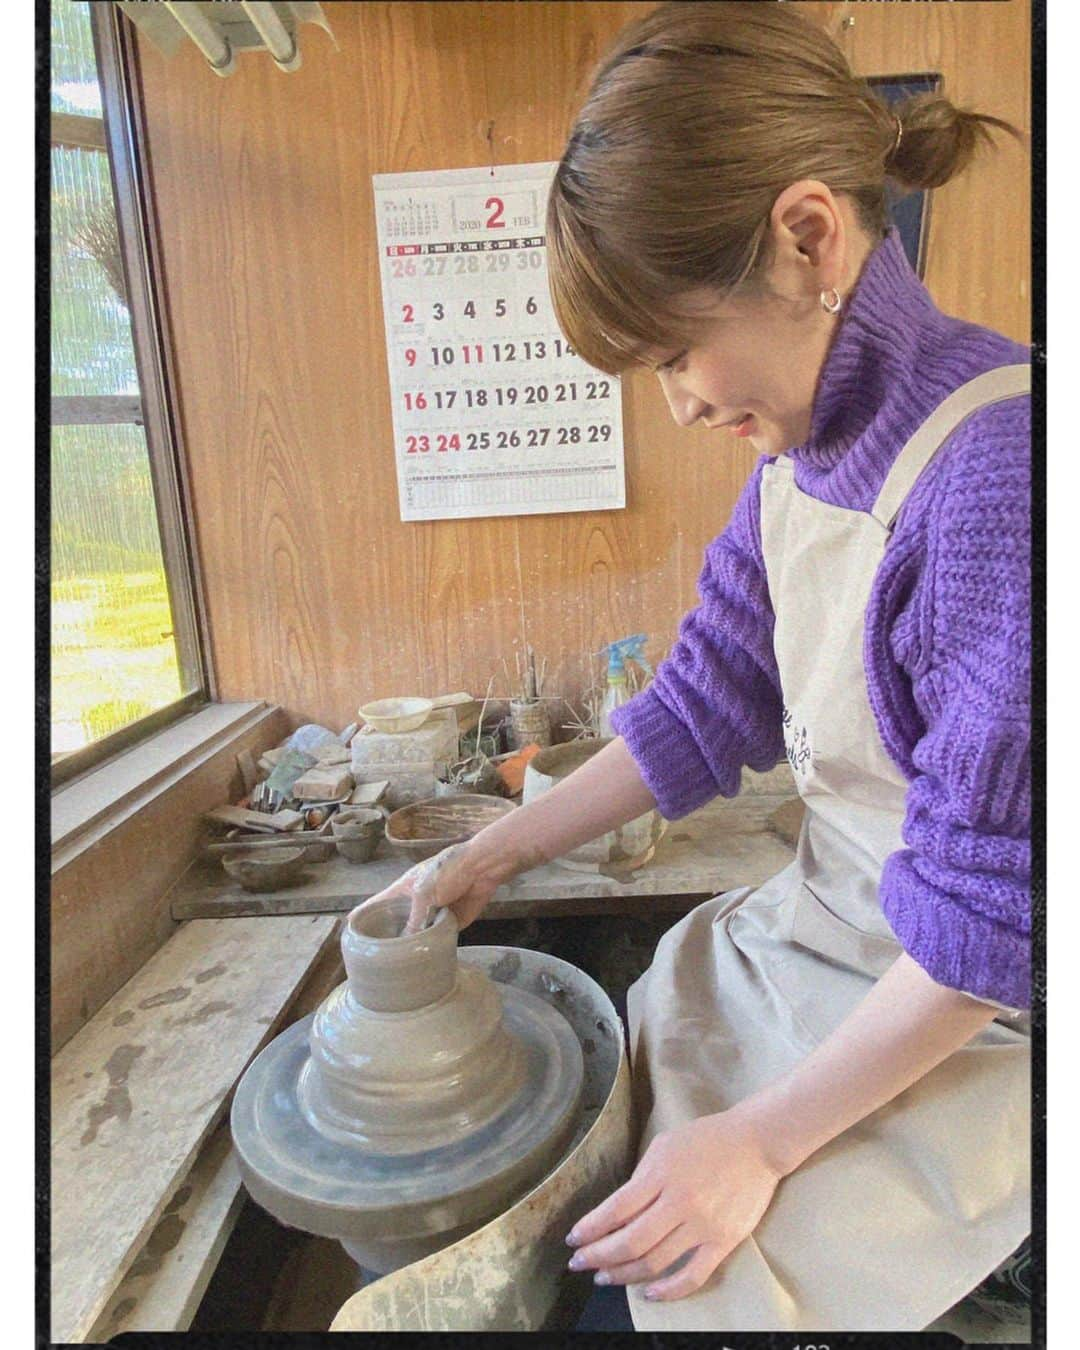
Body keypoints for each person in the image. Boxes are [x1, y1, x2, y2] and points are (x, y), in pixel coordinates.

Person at [357, 1, 1032, 1332]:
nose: (676, 400)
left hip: (974, 1016)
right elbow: (700, 705)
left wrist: (762, 1144)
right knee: (609, 1117)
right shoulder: (798, 461)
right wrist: (486, 855)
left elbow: (993, 924)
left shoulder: (1001, 479)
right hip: (835, 937)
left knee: (671, 1288)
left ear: (810, 237)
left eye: (674, 351)